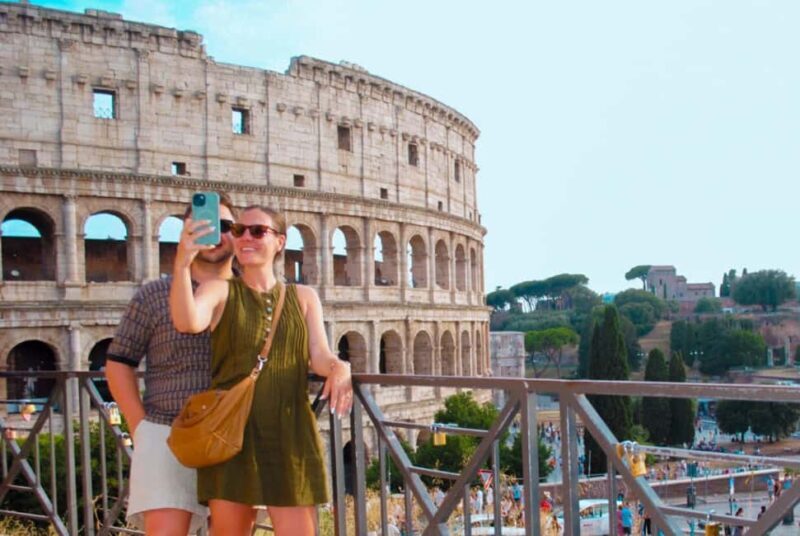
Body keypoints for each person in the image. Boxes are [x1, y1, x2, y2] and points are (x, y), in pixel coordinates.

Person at [170, 205, 353, 536]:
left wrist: (340, 367)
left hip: (290, 431)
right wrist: (182, 263)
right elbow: (187, 321)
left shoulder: (304, 297)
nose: (245, 238)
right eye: (238, 231)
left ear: (280, 242)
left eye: (257, 231)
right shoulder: (219, 289)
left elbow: (319, 355)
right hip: (231, 430)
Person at [105, 195, 237, 535]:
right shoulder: (153, 295)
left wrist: (338, 366)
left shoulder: (253, 295)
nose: (215, 234)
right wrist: (139, 426)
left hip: (236, 435)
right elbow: (119, 362)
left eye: (225, 226)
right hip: (166, 432)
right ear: (185, 233)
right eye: (203, 226)